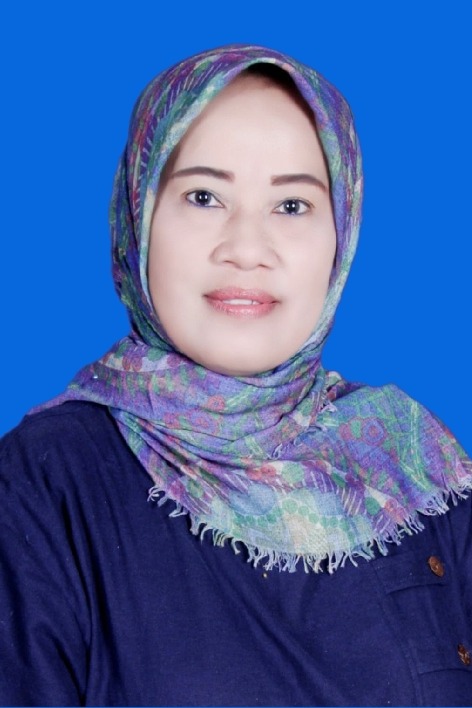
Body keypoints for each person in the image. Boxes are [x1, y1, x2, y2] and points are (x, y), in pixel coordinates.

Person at [1, 43, 471, 707]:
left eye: (292, 206)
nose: (247, 249)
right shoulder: (47, 480)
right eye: (203, 196)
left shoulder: (411, 467)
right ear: (139, 215)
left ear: (342, 234)